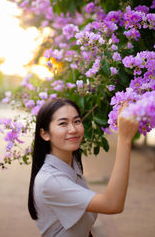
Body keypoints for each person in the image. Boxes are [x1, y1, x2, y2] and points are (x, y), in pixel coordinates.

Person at [28, 97, 139, 237]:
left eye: (77, 121)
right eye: (63, 123)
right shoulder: (51, 180)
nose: (73, 129)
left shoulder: (71, 162)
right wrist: (125, 139)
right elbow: (112, 204)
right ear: (45, 134)